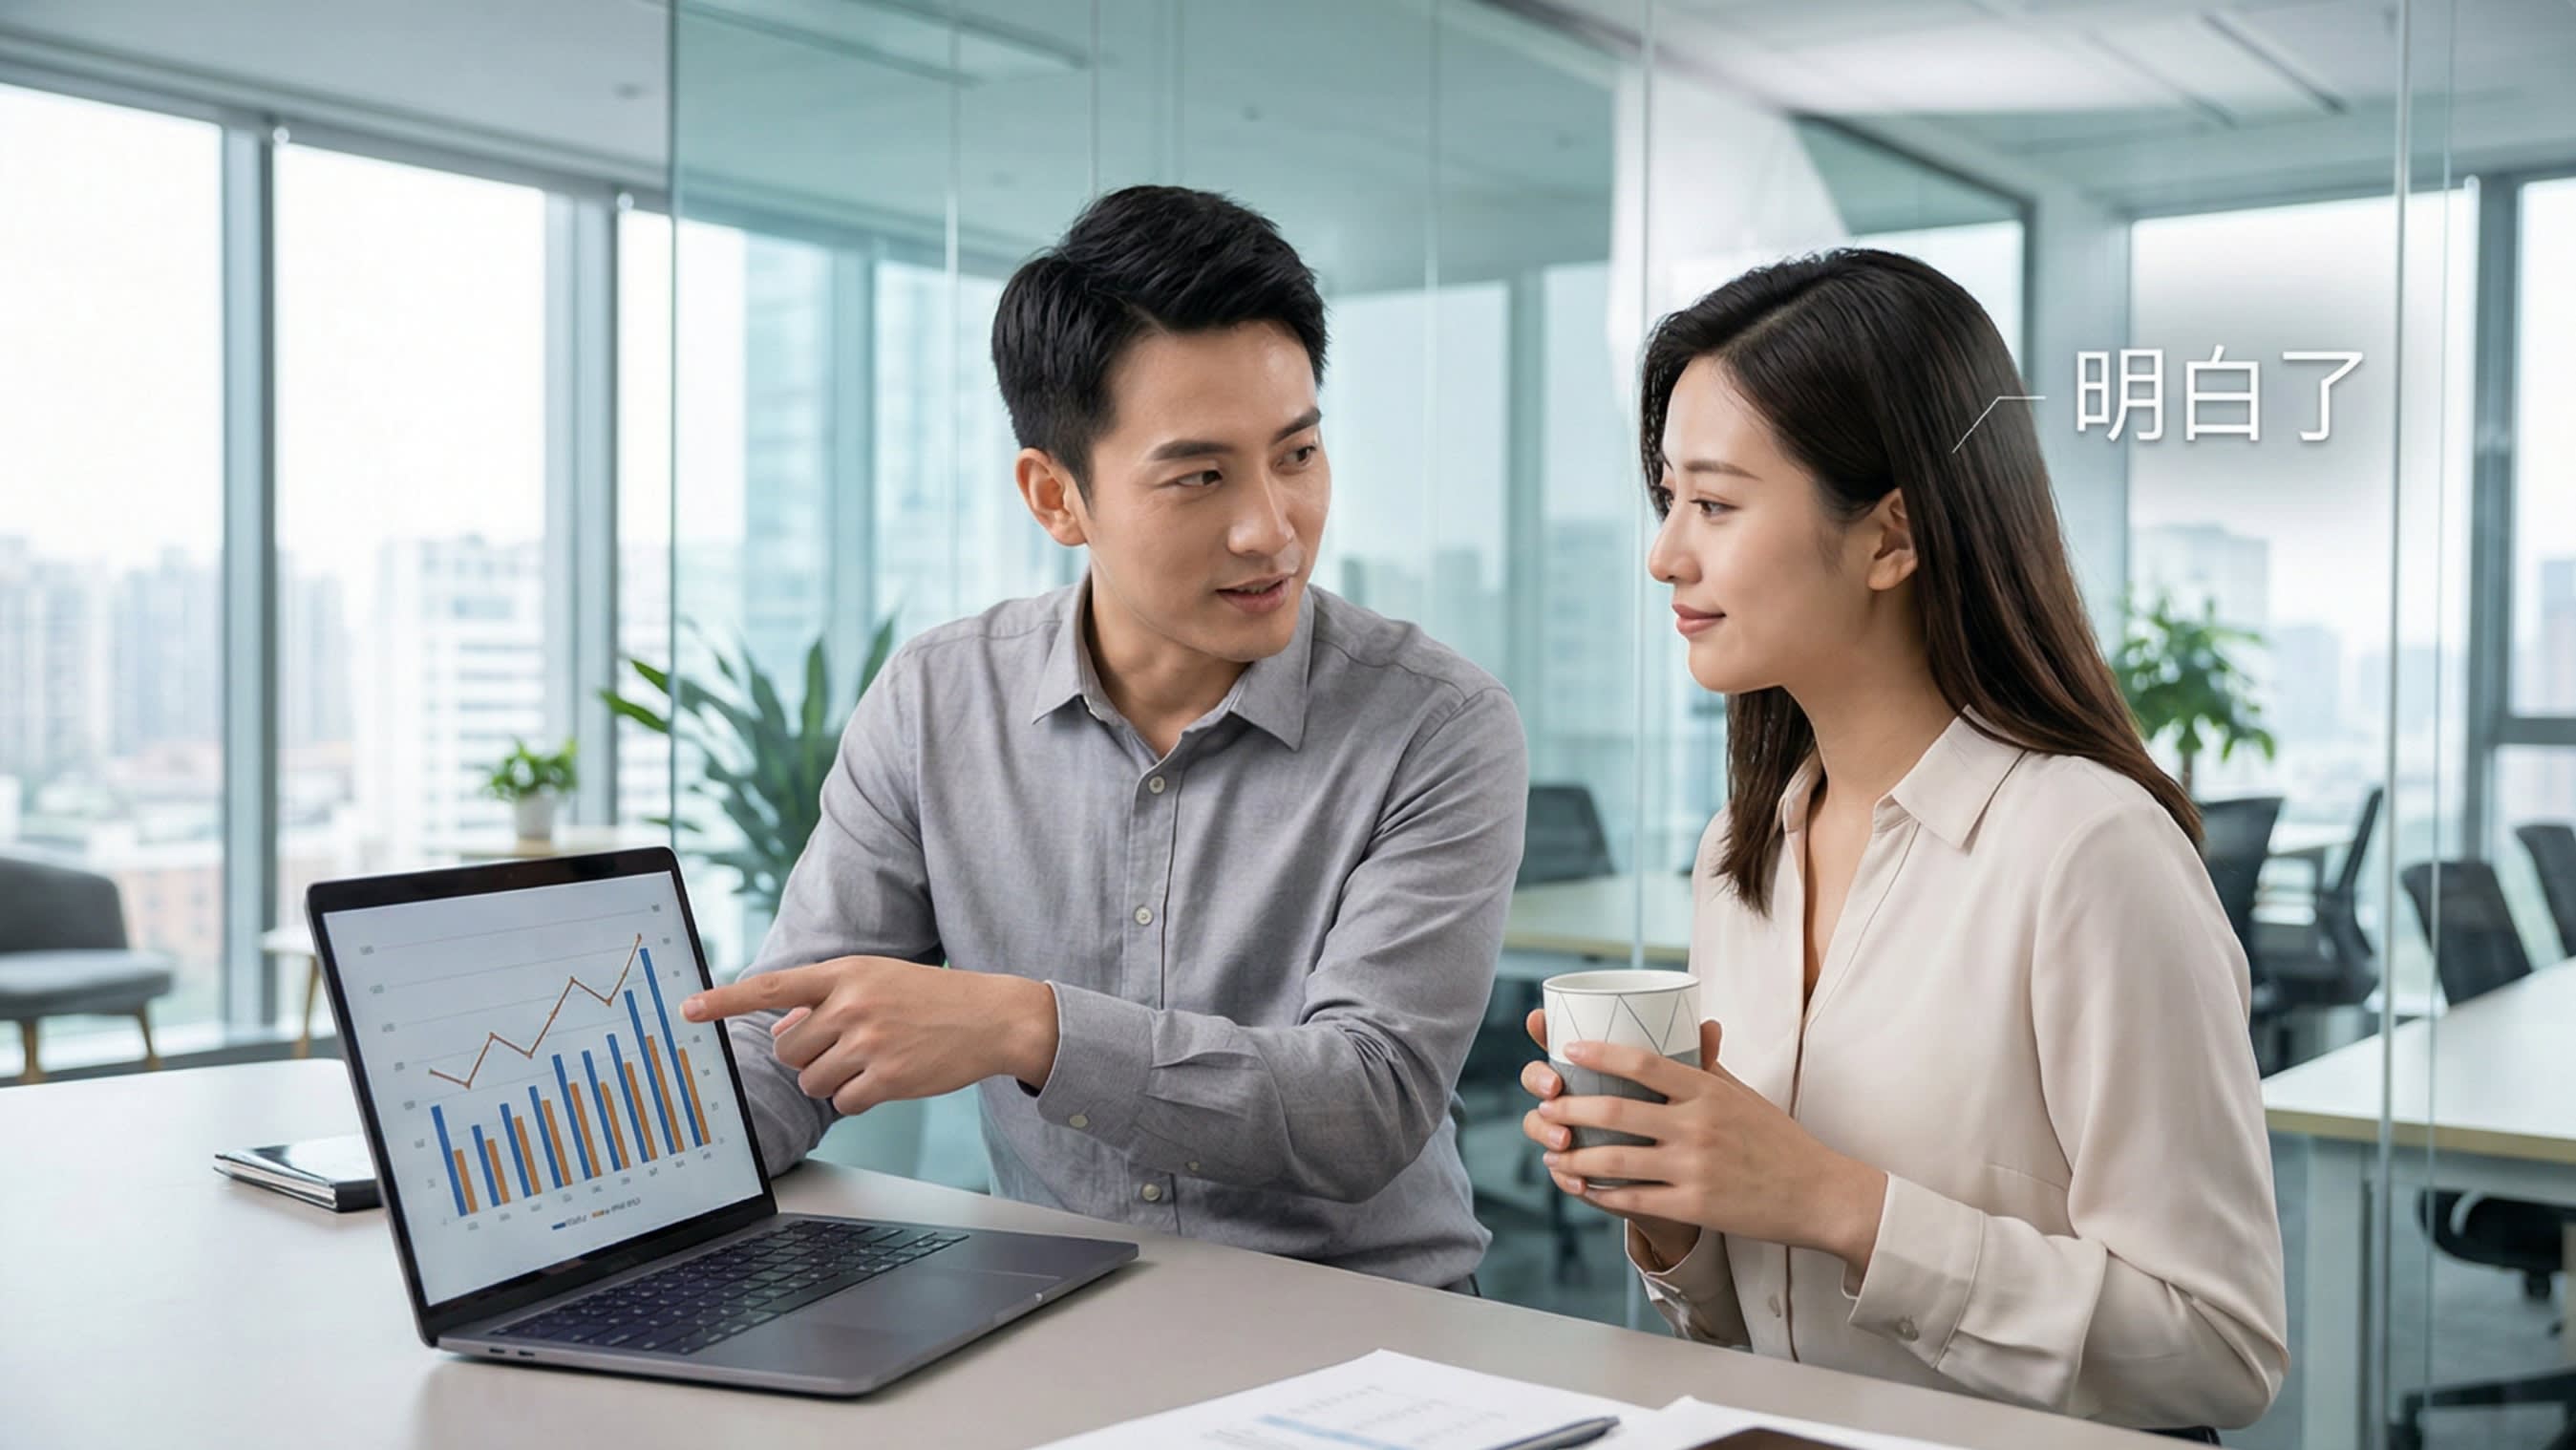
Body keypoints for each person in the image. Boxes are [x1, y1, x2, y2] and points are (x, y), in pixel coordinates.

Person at [680, 184, 1527, 1292]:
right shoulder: (939, 700)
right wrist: (574, 1198)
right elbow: (790, 1046)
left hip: (1364, 1328)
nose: (1271, 527)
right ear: (1055, 496)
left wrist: (1031, 1027)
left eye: (1299, 454)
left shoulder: (1437, 724)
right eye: (1201, 476)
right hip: (1055, 1311)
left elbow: (1367, 1104)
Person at [1518, 249, 2289, 1432]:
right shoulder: (1743, 853)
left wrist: (1842, 1204)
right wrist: (1671, 1200)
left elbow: (2219, 1354)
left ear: (1890, 538)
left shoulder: (2090, 854)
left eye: (1715, 504)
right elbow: (1752, 1332)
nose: (1665, 553)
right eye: (1667, 497)